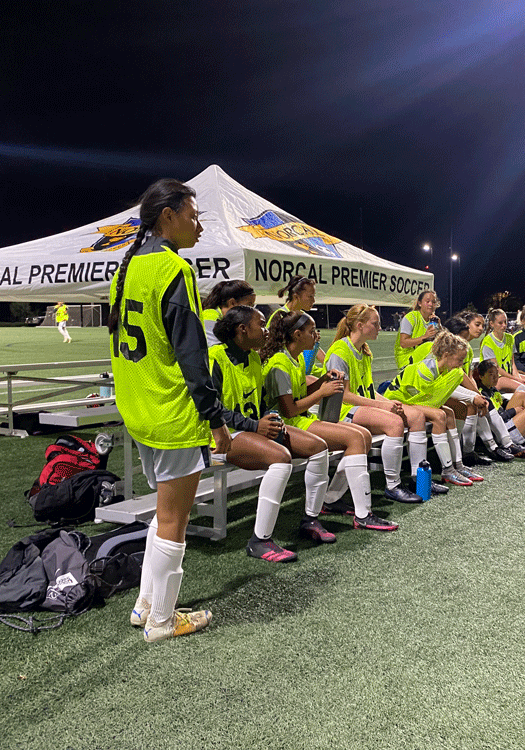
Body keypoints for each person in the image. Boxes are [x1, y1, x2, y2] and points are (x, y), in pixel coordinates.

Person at [109, 178, 231, 643]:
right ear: (168, 216)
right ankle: (162, 621)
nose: (199, 225)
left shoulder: (127, 268)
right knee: (175, 522)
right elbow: (193, 357)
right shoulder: (173, 268)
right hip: (172, 411)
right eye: (193, 216)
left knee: (163, 515)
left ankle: (145, 606)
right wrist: (215, 420)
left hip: (138, 408)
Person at [209, 305, 336, 561]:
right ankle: (260, 540)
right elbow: (210, 408)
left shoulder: (254, 358)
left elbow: (259, 402)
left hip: (251, 429)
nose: (266, 330)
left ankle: (312, 519)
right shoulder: (215, 358)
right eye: (261, 324)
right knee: (282, 458)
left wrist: (269, 419)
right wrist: (256, 425)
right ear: (242, 329)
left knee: (320, 447)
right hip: (221, 435)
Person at [262, 309, 399, 531]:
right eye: (311, 331)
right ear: (297, 335)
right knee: (356, 438)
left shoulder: (294, 358)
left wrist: (322, 381)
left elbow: (299, 395)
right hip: (288, 424)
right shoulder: (280, 363)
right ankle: (363, 514)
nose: (316, 336)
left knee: (363, 436)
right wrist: (321, 392)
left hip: (300, 419)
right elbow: (289, 410)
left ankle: (333, 499)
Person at [324, 303, 424, 503]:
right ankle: (393, 485)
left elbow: (368, 391)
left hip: (361, 407)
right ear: (360, 325)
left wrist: (388, 402)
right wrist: (382, 406)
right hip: (341, 411)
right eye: (375, 323)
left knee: (416, 416)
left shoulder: (364, 351)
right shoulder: (340, 352)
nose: (380, 327)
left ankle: (418, 478)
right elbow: (343, 396)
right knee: (394, 423)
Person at [383, 330, 482, 486]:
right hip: (397, 402)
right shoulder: (425, 371)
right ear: (447, 355)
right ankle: (447, 470)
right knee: (440, 415)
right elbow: (425, 399)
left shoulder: (444, 368)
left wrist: (475, 396)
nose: (461, 364)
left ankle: (457, 465)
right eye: (459, 359)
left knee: (450, 413)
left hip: (412, 401)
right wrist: (472, 397)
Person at [444, 312, 525, 464]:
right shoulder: (445, 352)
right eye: (477, 325)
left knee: (483, 402)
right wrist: (475, 396)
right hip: (439, 392)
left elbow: (466, 376)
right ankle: (474, 452)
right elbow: (454, 379)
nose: (481, 328)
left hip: (450, 389)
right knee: (474, 404)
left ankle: (503, 444)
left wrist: (477, 394)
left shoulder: (465, 349)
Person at [270, 275, 323, 377]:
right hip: (285, 374)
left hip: (298, 370)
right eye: (310, 296)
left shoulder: (303, 317)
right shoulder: (279, 316)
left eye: (314, 296)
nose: (313, 301)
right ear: (296, 296)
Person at [394, 289, 441, 370]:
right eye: (427, 301)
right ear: (419, 303)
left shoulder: (434, 321)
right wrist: (425, 337)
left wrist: (440, 327)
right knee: (431, 346)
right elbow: (403, 343)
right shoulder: (411, 317)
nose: (430, 304)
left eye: (433, 302)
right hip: (406, 361)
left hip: (422, 358)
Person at [201, 280, 256, 347]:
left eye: (253, 306)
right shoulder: (209, 317)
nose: (251, 310)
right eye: (248, 305)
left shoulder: (230, 320)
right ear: (232, 303)